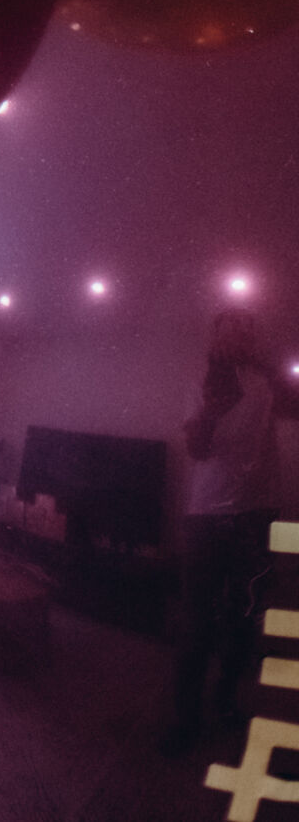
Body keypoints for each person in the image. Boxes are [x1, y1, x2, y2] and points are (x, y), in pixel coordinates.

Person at [166, 311, 280, 752]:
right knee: (196, 620)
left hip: (255, 513)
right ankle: (185, 720)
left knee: (244, 617)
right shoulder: (200, 383)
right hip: (206, 516)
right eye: (230, 329)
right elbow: (196, 450)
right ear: (215, 338)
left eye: (247, 329)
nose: (239, 335)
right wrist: (213, 411)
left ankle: (226, 701)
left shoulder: (268, 383)